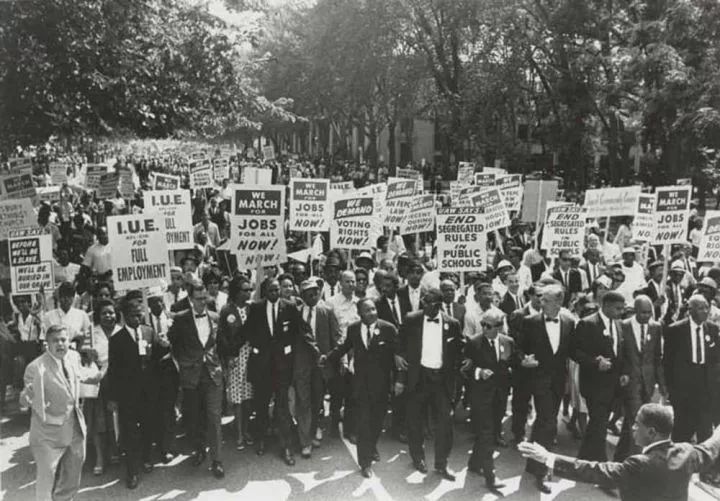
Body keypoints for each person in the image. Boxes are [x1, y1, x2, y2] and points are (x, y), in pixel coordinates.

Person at [519, 403, 720, 501]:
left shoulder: (640, 464)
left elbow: (594, 470)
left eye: (636, 424)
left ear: (651, 432)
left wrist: (549, 458)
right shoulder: (688, 453)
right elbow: (711, 446)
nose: (632, 427)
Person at [319, 298, 399, 478]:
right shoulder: (354, 329)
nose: (372, 313)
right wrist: (328, 357)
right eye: (367, 310)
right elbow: (345, 346)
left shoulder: (388, 329)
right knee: (363, 422)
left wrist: (399, 381)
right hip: (360, 385)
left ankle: (371, 447)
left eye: (373, 309)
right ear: (360, 313)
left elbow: (397, 355)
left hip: (381, 386)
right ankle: (365, 462)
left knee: (377, 422)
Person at [21, 325, 100, 501]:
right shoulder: (35, 367)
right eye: (55, 340)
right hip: (47, 433)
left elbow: (80, 376)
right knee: (46, 478)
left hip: (74, 427)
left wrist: (99, 373)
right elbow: (26, 399)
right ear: (46, 343)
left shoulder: (73, 357)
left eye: (63, 340)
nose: (60, 344)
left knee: (73, 475)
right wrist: (26, 396)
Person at [246, 278, 317, 465]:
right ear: (265, 292)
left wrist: (314, 347)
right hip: (262, 366)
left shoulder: (290, 307)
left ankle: (285, 446)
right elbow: (247, 332)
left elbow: (302, 329)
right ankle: (260, 440)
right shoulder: (256, 308)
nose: (275, 294)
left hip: (282, 366)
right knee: (261, 405)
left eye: (277, 290)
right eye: (271, 290)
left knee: (282, 406)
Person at [397, 287, 464, 481]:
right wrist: (398, 355)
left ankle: (442, 463)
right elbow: (399, 341)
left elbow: (459, 349)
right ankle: (418, 457)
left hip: (441, 381)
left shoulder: (452, 324)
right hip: (419, 378)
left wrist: (462, 365)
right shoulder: (411, 319)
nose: (424, 306)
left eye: (429, 303)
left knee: (445, 422)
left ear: (439, 305)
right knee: (415, 421)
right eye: (423, 302)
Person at [167, 279, 226, 479]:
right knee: (194, 417)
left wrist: (220, 363)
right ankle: (200, 449)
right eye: (198, 299)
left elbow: (222, 344)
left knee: (214, 417)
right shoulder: (181, 319)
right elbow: (173, 343)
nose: (202, 302)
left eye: (204, 298)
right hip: (191, 374)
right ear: (190, 299)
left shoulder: (216, 317)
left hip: (212, 373)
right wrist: (183, 362)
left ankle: (217, 460)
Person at [519, 283, 575, 493]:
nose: (540, 303)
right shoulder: (530, 322)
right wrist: (524, 360)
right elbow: (519, 348)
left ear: (559, 302)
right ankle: (542, 472)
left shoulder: (569, 322)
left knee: (543, 422)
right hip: (539, 381)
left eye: (546, 300)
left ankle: (532, 464)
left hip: (558, 382)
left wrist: (594, 361)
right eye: (540, 299)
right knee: (549, 423)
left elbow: (574, 351)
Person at [664, 294, 719, 478]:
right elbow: (668, 363)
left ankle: (707, 472)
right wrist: (670, 390)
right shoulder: (676, 330)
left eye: (707, 308)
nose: (705, 312)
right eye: (701, 308)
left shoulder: (713, 329)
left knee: (705, 430)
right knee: (682, 430)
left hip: (706, 388)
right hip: (683, 389)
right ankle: (676, 469)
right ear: (691, 310)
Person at [107, 298, 160, 489]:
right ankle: (132, 471)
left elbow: (158, 358)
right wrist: (112, 397)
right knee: (129, 432)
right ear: (124, 317)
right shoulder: (117, 339)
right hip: (127, 395)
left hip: (148, 392)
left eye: (140, 314)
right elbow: (113, 370)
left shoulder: (149, 331)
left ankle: (146, 458)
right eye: (133, 315)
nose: (138, 319)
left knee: (148, 427)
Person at [573, 290, 626, 469]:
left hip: (613, 385)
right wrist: (595, 362)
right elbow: (574, 351)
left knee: (597, 425)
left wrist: (623, 373)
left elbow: (620, 352)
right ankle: (602, 469)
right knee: (599, 424)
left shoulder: (619, 324)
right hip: (594, 384)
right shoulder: (587, 324)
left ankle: (582, 461)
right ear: (606, 305)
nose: (621, 312)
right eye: (618, 308)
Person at [462, 309, 512, 491]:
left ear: (499, 327)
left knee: (488, 433)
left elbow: (510, 365)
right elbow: (464, 370)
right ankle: (491, 477)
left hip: (500, 397)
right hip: (480, 397)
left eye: (488, 326)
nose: (484, 328)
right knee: (487, 435)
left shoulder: (508, 343)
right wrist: (478, 372)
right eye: (483, 324)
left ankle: (475, 463)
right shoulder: (474, 343)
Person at [614, 295, 666, 462]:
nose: (646, 316)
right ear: (635, 311)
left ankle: (618, 463)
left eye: (649, 312)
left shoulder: (656, 327)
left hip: (648, 384)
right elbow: (619, 355)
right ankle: (634, 465)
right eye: (643, 312)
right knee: (638, 425)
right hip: (630, 384)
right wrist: (621, 374)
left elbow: (657, 358)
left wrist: (662, 386)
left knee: (629, 427)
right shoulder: (623, 326)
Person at [295, 277, 340, 455]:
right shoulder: (296, 312)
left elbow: (336, 336)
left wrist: (335, 358)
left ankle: (313, 431)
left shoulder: (327, 311)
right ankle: (304, 441)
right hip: (301, 364)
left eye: (315, 292)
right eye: (308, 293)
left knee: (316, 402)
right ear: (302, 295)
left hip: (321, 364)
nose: (313, 295)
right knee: (303, 401)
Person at [219, 275, 254, 451]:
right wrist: (229, 357)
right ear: (236, 292)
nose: (248, 293)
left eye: (250, 290)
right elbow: (223, 337)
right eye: (245, 290)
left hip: (251, 357)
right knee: (238, 398)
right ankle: (239, 433)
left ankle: (247, 430)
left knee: (248, 396)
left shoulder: (252, 308)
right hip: (235, 358)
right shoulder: (227, 310)